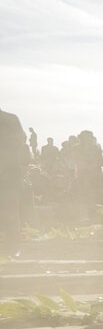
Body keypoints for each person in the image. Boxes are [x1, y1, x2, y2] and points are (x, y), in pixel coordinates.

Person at [0, 107, 29, 256]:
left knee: (10, 212)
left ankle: (12, 250)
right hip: (9, 173)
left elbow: (21, 141)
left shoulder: (10, 119)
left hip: (9, 175)